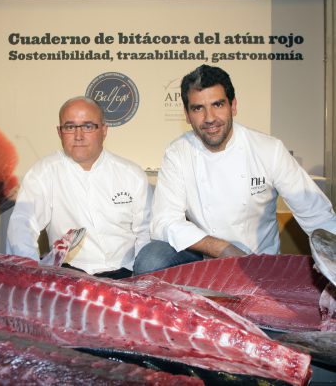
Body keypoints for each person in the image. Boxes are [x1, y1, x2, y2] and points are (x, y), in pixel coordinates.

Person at [133, 64, 336, 275]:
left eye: (218, 104)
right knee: (152, 259)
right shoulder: (178, 153)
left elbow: (317, 214)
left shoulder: (268, 149)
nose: (209, 118)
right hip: (204, 257)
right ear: (187, 114)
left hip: (257, 261)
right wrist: (223, 249)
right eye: (198, 108)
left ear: (233, 106)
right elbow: (163, 221)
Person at [7, 96, 152, 279]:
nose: (78, 136)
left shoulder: (131, 174)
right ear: (60, 132)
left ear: (104, 130)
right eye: (70, 127)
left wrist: (139, 278)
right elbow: (22, 226)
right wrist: (31, 275)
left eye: (88, 126)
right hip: (69, 275)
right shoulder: (43, 173)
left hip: (126, 272)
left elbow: (146, 233)